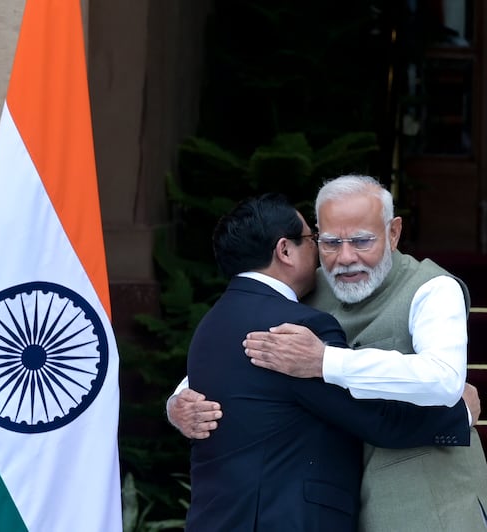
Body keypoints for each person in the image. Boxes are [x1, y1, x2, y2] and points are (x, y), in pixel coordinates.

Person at [170, 175, 487, 531]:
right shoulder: (309, 285)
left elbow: (443, 378)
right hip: (343, 500)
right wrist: (180, 400)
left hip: (427, 496)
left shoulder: (433, 288)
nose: (345, 258)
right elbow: (253, 353)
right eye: (330, 242)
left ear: (394, 233)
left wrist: (323, 361)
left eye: (362, 240)